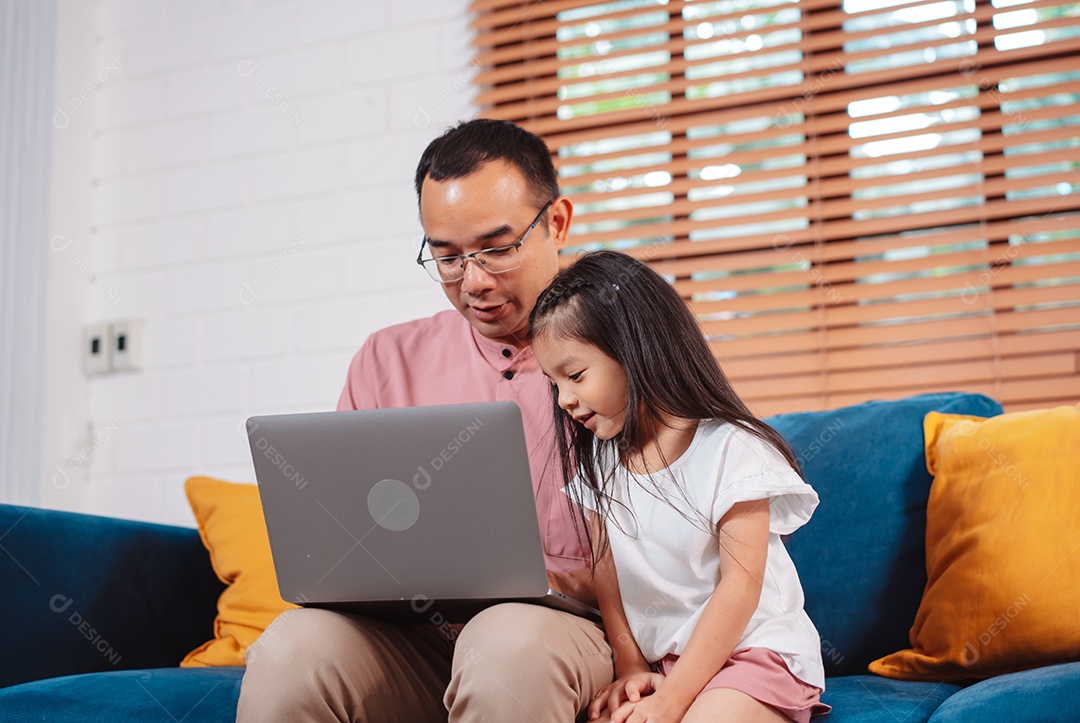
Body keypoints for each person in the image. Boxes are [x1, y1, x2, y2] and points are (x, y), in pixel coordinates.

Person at [237, 119, 613, 722]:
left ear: (558, 223)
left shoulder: (625, 351)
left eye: (498, 248)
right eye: (447, 256)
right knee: (290, 650)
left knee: (506, 647)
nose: (475, 282)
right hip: (417, 641)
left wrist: (559, 582)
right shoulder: (386, 360)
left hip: (565, 634)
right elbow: (343, 548)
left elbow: (685, 540)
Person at [529, 250, 831, 723]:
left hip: (754, 653)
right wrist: (629, 666)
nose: (565, 398)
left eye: (575, 375)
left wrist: (672, 701)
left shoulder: (734, 449)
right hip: (665, 663)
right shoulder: (601, 463)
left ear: (635, 349)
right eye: (554, 384)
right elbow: (607, 579)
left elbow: (741, 586)